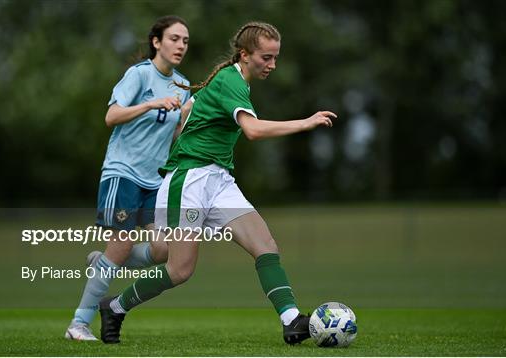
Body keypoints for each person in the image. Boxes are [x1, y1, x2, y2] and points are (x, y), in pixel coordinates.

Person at [98, 21, 336, 345]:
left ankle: (291, 320)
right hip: (189, 180)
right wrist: (305, 122)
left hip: (218, 180)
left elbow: (192, 118)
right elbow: (251, 130)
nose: (272, 65)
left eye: (275, 57)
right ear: (245, 54)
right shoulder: (230, 81)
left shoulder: (236, 82)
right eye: (266, 57)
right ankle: (114, 307)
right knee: (179, 270)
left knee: (265, 247)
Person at [65, 15, 192, 341]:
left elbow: (175, 132)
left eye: (185, 41)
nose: (180, 45)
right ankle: (79, 324)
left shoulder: (182, 83)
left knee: (164, 250)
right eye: (174, 38)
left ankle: (104, 262)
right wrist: (151, 103)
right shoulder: (138, 75)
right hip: (123, 173)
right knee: (121, 242)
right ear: (156, 42)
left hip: (155, 181)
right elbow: (112, 115)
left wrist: (187, 119)